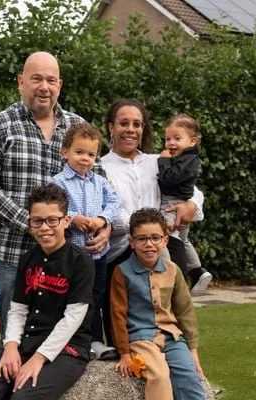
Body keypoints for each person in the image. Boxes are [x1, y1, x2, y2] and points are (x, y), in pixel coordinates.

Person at [0, 51, 110, 346]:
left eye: (50, 80)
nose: (44, 87)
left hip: (70, 257)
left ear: (60, 84)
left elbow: (100, 184)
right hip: (15, 254)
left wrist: (105, 225)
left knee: (69, 338)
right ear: (21, 81)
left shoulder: (78, 127)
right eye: (36, 79)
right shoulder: (0, 125)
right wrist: (34, 224)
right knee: (14, 340)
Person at [0, 184, 95, 400]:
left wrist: (38, 358)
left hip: (67, 348)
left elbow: (73, 318)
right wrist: (10, 347)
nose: (45, 227)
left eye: (52, 220)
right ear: (30, 223)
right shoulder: (27, 259)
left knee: (22, 398)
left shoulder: (81, 261)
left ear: (66, 221)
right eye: (37, 221)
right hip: (27, 342)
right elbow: (18, 310)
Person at [100, 98, 209, 347]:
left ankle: (178, 364)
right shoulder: (101, 167)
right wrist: (141, 231)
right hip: (120, 253)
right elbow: (106, 210)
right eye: (124, 123)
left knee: (171, 320)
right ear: (111, 127)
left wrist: (192, 205)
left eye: (137, 124)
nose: (131, 129)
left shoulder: (156, 161)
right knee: (121, 326)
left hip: (165, 249)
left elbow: (192, 189)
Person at [111, 208, 205, 400]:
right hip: (140, 338)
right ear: (131, 242)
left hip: (172, 337)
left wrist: (192, 350)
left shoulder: (173, 270)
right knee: (159, 376)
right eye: (141, 239)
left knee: (190, 377)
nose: (149, 244)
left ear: (165, 240)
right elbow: (117, 315)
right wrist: (124, 353)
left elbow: (185, 311)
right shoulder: (122, 272)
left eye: (155, 238)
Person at [52, 123, 121, 360]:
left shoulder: (99, 182)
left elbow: (114, 203)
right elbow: (54, 208)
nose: (85, 159)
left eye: (91, 155)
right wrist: (73, 218)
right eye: (79, 152)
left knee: (95, 297)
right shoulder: (57, 182)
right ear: (65, 152)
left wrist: (102, 219)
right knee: (74, 299)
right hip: (72, 256)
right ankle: (75, 341)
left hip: (97, 255)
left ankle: (95, 341)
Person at [158, 114, 211, 293]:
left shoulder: (185, 160)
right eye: (168, 139)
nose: (171, 143)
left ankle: (169, 271)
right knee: (183, 239)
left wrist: (163, 161)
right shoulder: (187, 159)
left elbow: (169, 178)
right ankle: (197, 271)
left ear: (192, 141)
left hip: (172, 205)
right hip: (180, 203)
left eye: (177, 138)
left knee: (162, 238)